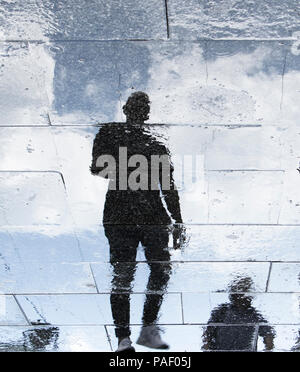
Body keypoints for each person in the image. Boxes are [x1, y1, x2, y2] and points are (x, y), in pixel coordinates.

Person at [91, 92, 186, 352]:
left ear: (147, 113)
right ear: (125, 108)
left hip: (151, 215)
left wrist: (178, 221)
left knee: (161, 270)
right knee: (123, 274)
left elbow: (169, 186)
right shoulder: (110, 133)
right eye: (135, 105)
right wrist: (131, 163)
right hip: (120, 215)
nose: (139, 110)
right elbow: (96, 168)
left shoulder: (157, 143)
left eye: (143, 106)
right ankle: (123, 338)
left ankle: (147, 328)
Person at [202, 277, 275, 351]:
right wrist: (206, 346)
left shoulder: (253, 315)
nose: (243, 297)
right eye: (241, 291)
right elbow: (208, 331)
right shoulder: (222, 310)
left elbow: (268, 333)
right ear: (234, 295)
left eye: (246, 291)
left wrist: (268, 347)